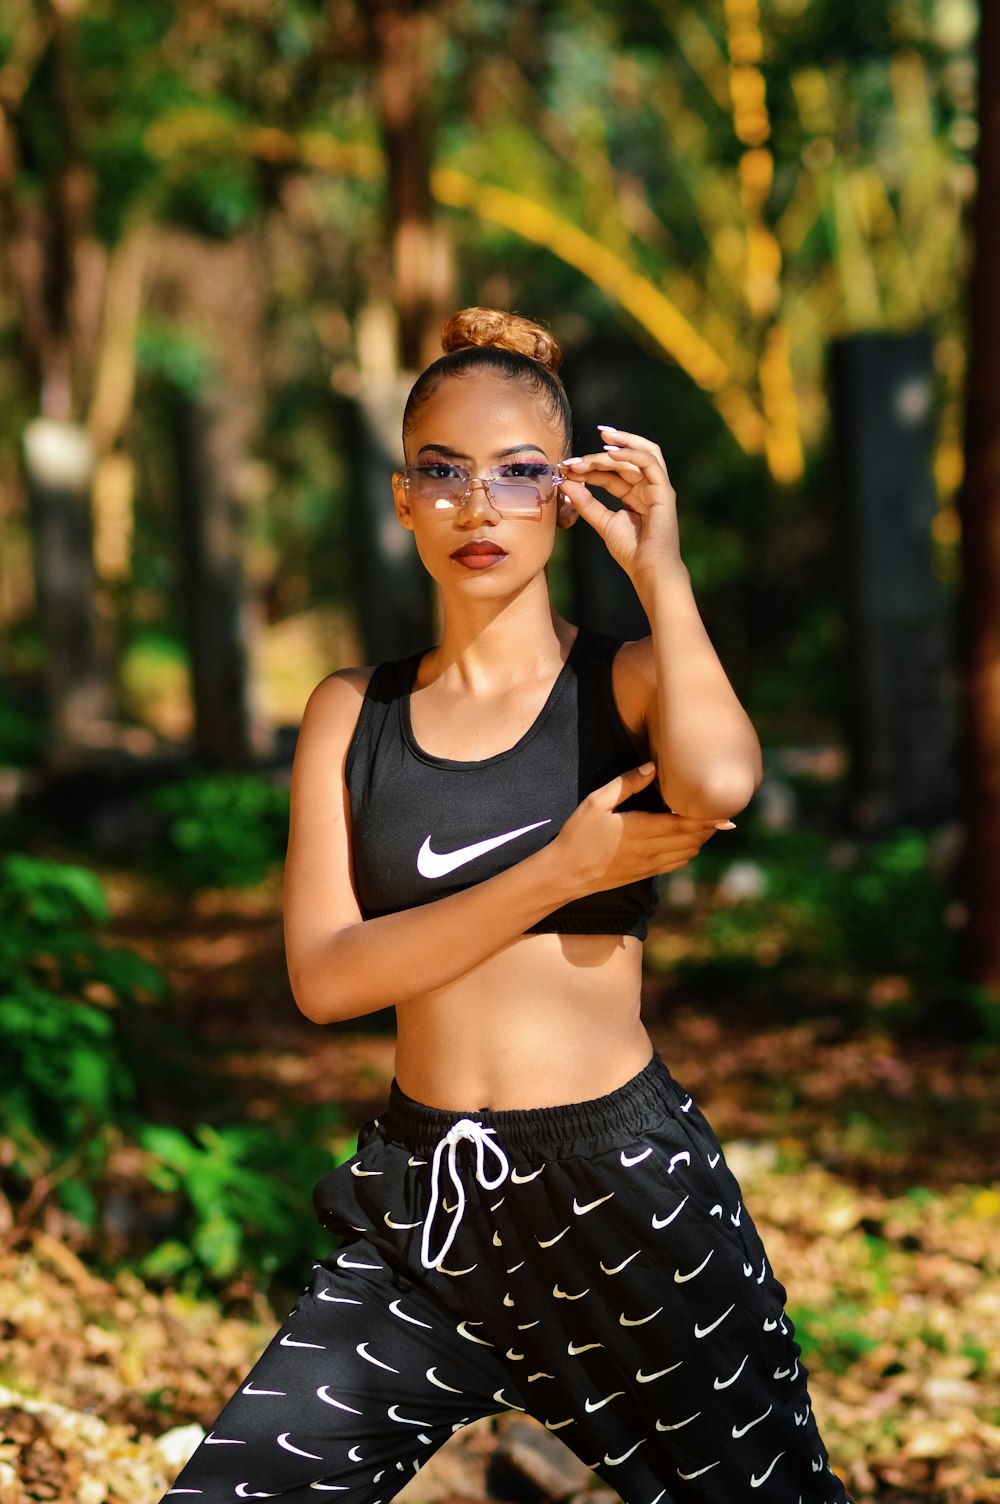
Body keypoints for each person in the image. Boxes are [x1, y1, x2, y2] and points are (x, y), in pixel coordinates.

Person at [159, 308, 851, 1503]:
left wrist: (663, 571)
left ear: (565, 494)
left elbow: (723, 782)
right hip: (425, 1206)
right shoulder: (348, 712)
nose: (479, 506)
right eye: (444, 472)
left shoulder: (622, 683)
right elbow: (327, 978)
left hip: (621, 1187)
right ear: (400, 496)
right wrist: (561, 871)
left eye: (519, 473)